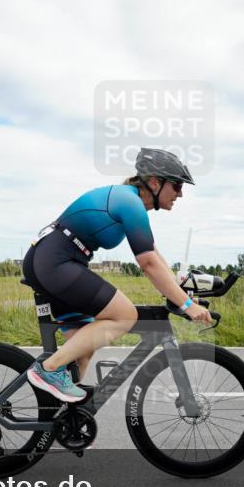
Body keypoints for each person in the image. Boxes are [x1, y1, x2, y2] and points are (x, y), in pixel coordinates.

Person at [21, 147, 212, 402]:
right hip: (56, 261)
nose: (180, 194)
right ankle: (48, 370)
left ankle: (66, 420)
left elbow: (155, 257)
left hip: (55, 259)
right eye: (177, 186)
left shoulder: (131, 204)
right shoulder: (129, 202)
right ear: (154, 182)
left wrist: (180, 286)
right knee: (125, 316)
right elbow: (148, 264)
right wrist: (187, 305)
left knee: (82, 348)